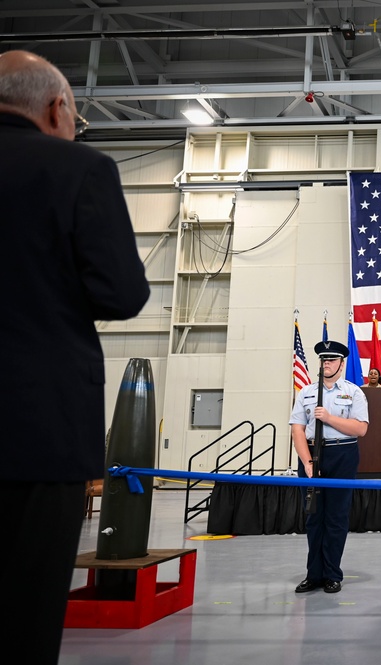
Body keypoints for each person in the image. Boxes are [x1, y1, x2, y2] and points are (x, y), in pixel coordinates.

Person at [0, 51, 150, 663]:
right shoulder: (77, 169)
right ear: (58, 107)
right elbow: (122, 292)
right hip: (37, 429)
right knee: (24, 615)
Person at [289, 340, 369, 594]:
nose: (327, 364)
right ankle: (314, 574)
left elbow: (360, 428)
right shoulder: (306, 392)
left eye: (332, 360)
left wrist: (330, 418)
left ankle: (332, 574)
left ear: (342, 364)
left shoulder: (354, 392)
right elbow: (297, 429)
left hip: (342, 453)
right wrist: (307, 461)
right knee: (314, 517)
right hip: (312, 454)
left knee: (336, 518)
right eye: (324, 360)